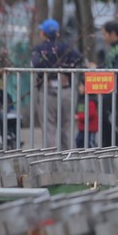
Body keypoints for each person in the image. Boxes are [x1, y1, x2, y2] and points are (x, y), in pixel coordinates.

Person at [31, 18, 83, 149]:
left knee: (49, 127)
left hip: (47, 91)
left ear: (43, 33)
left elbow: (36, 64)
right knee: (67, 127)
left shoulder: (39, 49)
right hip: (66, 90)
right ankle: (68, 160)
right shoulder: (67, 48)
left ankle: (51, 162)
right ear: (58, 34)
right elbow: (78, 59)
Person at [74, 81, 98, 148]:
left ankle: (94, 156)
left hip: (90, 128)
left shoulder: (91, 100)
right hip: (82, 127)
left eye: (81, 86)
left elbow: (91, 114)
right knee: (79, 140)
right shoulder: (81, 98)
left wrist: (78, 117)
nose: (79, 88)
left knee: (89, 143)